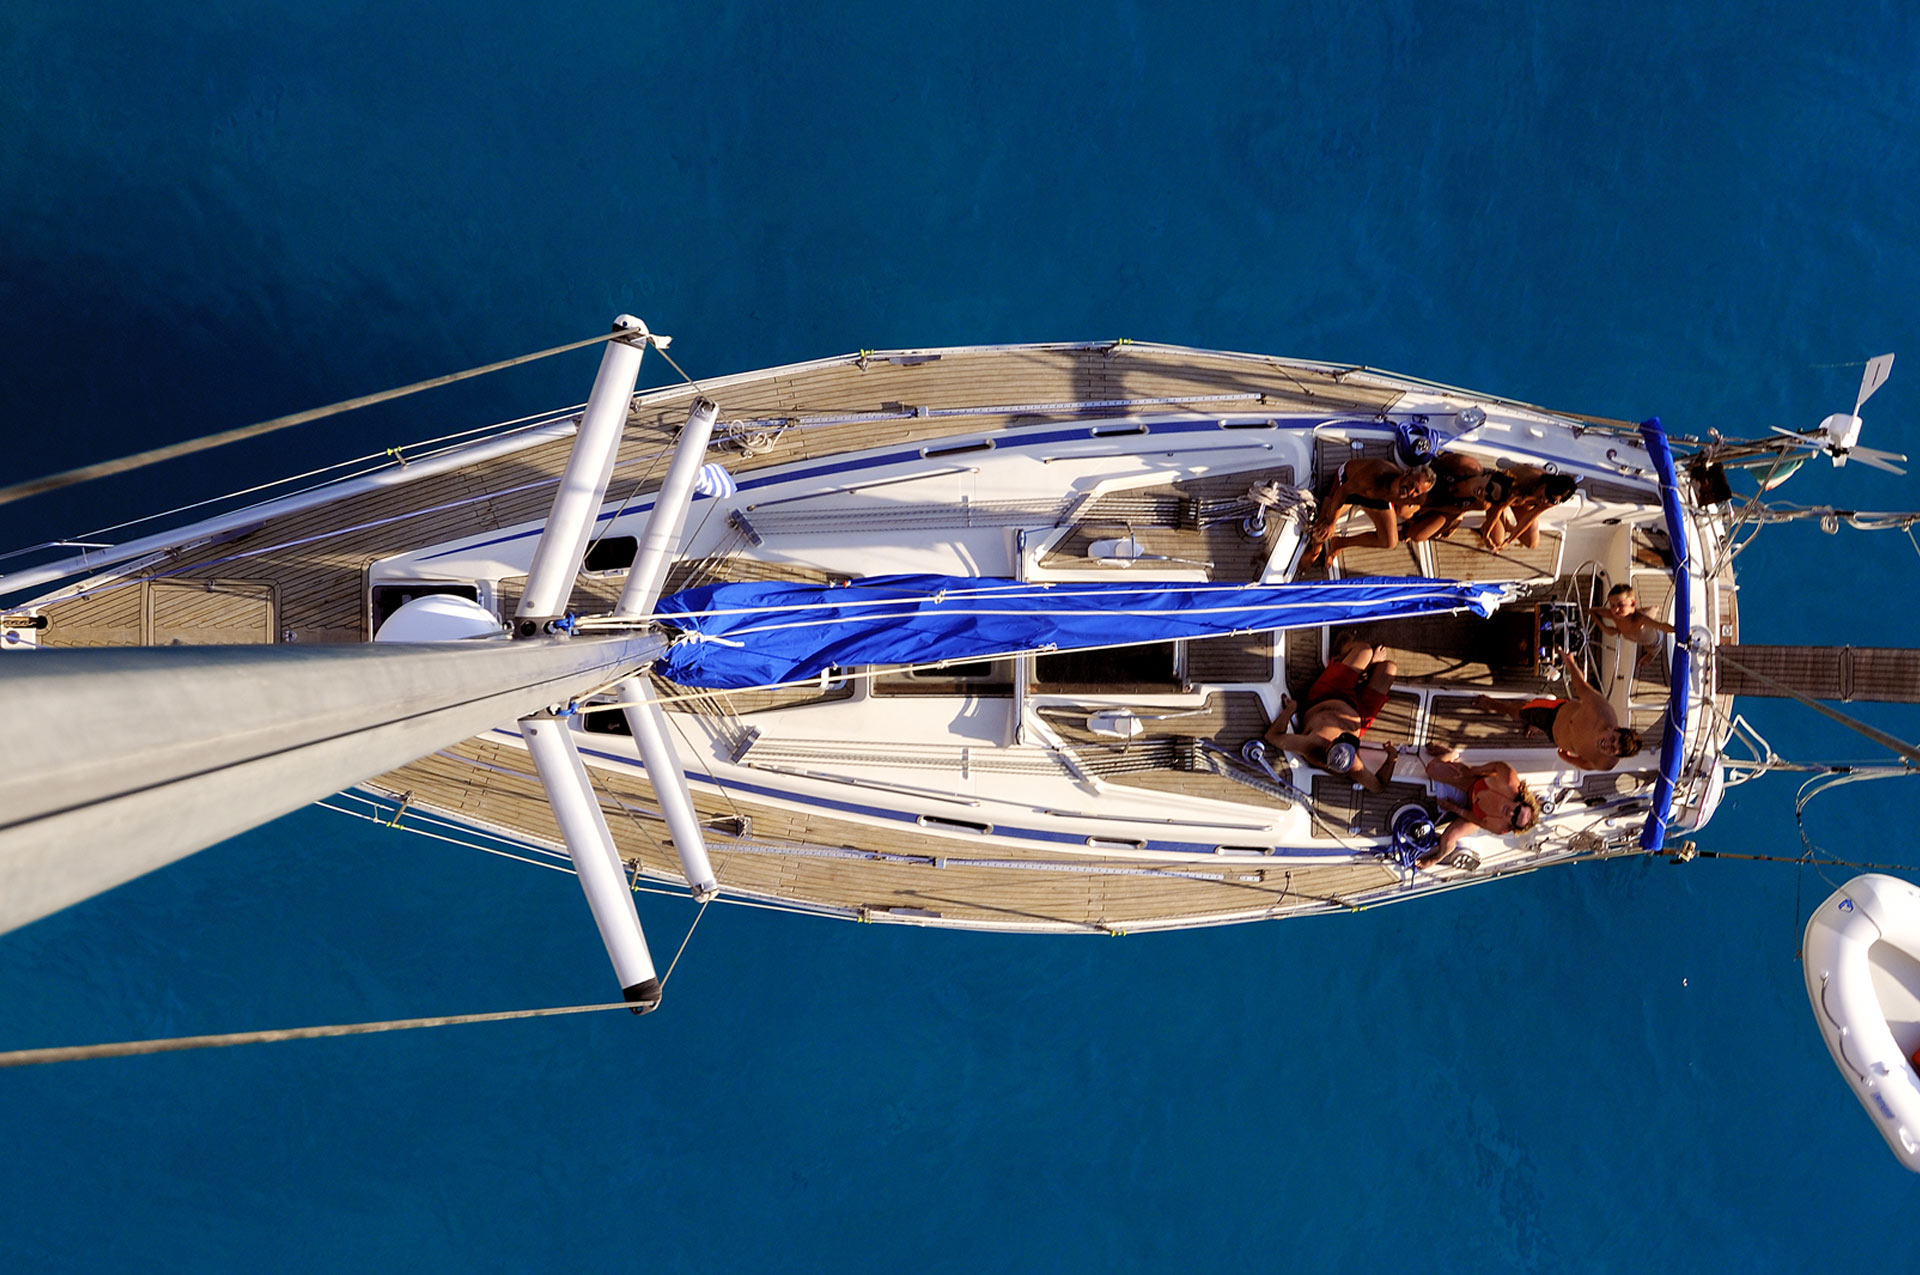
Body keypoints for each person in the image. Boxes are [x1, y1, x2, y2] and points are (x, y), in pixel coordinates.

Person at [1246, 635, 1403, 793]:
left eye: (1340, 739)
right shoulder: (1353, 764)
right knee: (1390, 668)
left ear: (1329, 747)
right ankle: (1365, 669)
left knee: (1365, 650)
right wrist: (1392, 758)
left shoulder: (1308, 745)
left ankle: (1344, 651)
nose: (1342, 734)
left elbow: (1272, 737)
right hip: (1359, 711)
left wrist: (1290, 709)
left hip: (1327, 695)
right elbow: (1378, 786)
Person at [1473, 650, 1643, 771]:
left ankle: (1538, 728)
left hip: (1555, 738)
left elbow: (1586, 765)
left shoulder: (1605, 762)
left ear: (1615, 756)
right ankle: (1493, 704)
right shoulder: (1601, 710)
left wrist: (1566, 757)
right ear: (1613, 728)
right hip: (1553, 713)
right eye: (1612, 739)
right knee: (1518, 712)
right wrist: (1570, 661)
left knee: (1536, 726)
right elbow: (1581, 687)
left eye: (1612, 749)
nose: (1607, 745)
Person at [1417, 744, 1541, 865]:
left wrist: (1454, 808)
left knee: (1448, 839)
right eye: (1518, 810)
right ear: (1520, 801)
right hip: (1474, 784)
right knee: (1432, 769)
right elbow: (1497, 765)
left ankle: (1436, 859)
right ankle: (1451, 754)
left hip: (1475, 813)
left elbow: (1477, 820)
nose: (1511, 813)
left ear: (1511, 825)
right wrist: (1472, 771)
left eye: (1514, 819)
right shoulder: (1509, 781)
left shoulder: (1499, 827)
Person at [1302, 457, 1436, 566]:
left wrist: (1411, 521)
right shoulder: (1376, 474)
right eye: (1411, 485)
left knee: (1390, 541)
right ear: (1406, 473)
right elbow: (1343, 492)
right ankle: (1315, 549)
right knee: (1324, 526)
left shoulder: (1413, 497)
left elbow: (1418, 504)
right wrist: (1332, 522)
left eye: (1416, 491)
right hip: (1349, 486)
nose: (1410, 491)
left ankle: (1340, 543)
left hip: (1376, 499)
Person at [1400, 454, 1514, 544]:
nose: (1484, 493)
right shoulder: (1466, 465)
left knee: (1417, 536)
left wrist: (1430, 508)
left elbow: (1456, 509)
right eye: (1489, 487)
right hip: (1431, 483)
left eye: (1488, 497)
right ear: (1488, 476)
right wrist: (1420, 508)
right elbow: (1431, 469)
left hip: (1447, 506)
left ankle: (1454, 522)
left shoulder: (1481, 504)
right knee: (1403, 511)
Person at [1480, 466, 1579, 551]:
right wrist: (1486, 535)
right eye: (1547, 495)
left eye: (1553, 501)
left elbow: (1529, 517)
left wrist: (1509, 540)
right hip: (1499, 496)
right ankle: (1488, 527)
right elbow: (1500, 508)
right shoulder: (1525, 480)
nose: (1545, 501)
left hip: (1520, 501)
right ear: (1545, 484)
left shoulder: (1552, 500)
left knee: (1532, 543)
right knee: (1496, 540)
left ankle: (1507, 525)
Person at [1589, 583, 1675, 668]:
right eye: (1612, 606)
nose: (1616, 609)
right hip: (1636, 634)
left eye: (1620, 605)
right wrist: (1604, 627)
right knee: (1644, 615)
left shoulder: (1640, 619)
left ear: (1633, 603)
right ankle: (1652, 609)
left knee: (1650, 625)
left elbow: (1661, 626)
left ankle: (1654, 609)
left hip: (1654, 640)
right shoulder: (1614, 615)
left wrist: (1677, 630)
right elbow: (1592, 611)